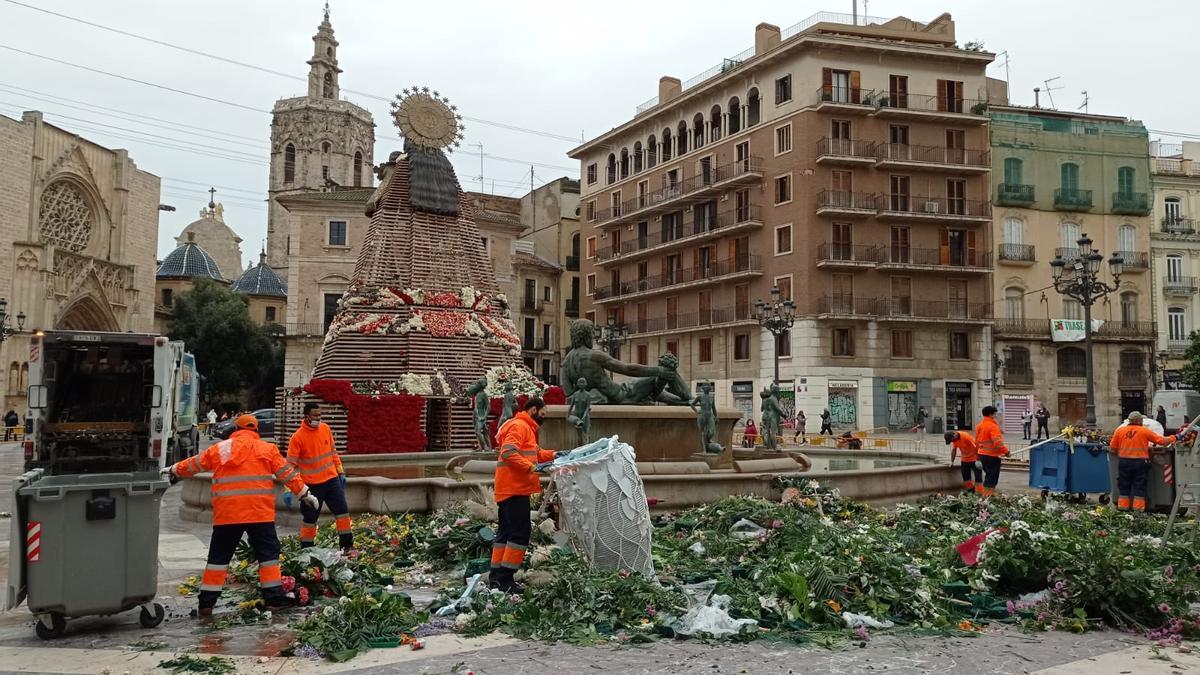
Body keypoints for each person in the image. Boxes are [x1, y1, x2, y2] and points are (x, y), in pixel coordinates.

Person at [166, 414, 317, 615]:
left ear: (236, 429)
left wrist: (174, 469)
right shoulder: (267, 449)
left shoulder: (222, 448)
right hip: (259, 514)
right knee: (268, 557)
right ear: (256, 430)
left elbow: (196, 464)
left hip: (228, 514)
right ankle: (274, 598)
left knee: (218, 559)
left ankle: (206, 603)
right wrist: (304, 493)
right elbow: (287, 474)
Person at [492, 398, 559, 593]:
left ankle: (496, 576)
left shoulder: (525, 427)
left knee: (505, 532)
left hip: (509, 488)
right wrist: (531, 467)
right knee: (520, 533)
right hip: (514, 489)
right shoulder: (520, 426)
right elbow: (508, 453)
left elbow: (536, 453)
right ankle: (506, 579)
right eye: (542, 414)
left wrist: (555, 455)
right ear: (532, 410)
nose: (543, 419)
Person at [287, 402, 352, 551]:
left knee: (343, 514)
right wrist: (287, 488)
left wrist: (340, 471)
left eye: (319, 415)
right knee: (310, 520)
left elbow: (333, 452)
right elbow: (289, 465)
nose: (318, 418)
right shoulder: (297, 437)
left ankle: (347, 546)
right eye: (315, 415)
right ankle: (307, 548)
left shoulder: (325, 429)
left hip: (331, 480)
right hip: (312, 486)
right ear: (306, 416)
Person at [1109, 411, 1178, 512]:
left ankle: (1123, 509)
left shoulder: (1120, 431)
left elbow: (1112, 449)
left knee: (1124, 485)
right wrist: (1175, 437)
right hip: (1140, 462)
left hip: (1124, 462)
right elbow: (1162, 441)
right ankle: (1138, 510)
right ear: (1138, 420)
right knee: (1139, 485)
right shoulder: (1144, 431)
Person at [974, 405, 1009, 497]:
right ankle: (987, 497)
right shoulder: (993, 426)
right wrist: (1006, 452)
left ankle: (988, 495)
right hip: (992, 456)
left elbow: (976, 442)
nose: (996, 415)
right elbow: (997, 442)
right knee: (992, 477)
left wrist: (977, 456)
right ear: (991, 414)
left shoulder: (979, 426)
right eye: (995, 413)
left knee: (989, 475)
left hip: (982, 455)